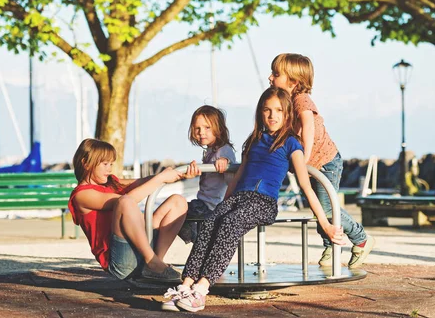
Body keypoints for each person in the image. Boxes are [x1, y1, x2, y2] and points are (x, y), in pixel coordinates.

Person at [161, 87, 345, 312]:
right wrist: (223, 204)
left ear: (288, 114)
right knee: (211, 223)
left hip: (263, 202)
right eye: (267, 110)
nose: (272, 115)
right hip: (238, 198)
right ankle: (186, 285)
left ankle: (201, 289)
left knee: (230, 224)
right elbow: (238, 177)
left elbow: (305, 186)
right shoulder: (255, 140)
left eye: (278, 110)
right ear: (260, 113)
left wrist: (325, 224)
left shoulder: (291, 144)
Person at [269, 53, 375, 267]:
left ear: (294, 81)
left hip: (326, 162)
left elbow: (307, 125)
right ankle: (331, 244)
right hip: (310, 166)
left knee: (327, 207)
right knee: (317, 206)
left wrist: (305, 157)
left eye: (276, 74)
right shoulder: (284, 103)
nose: (270, 78)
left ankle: (361, 239)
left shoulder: (301, 100)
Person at [68, 138, 198, 282]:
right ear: (86, 163)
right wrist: (161, 178)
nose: (109, 169)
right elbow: (127, 200)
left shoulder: (111, 183)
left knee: (177, 202)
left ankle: (155, 264)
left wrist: (177, 175)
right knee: (125, 202)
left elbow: (142, 182)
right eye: (105, 164)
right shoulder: (82, 195)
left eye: (111, 164)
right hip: (121, 262)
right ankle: (152, 262)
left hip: (139, 251)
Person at [178, 105, 237, 244]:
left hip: (210, 206)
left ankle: (198, 239)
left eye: (207, 128)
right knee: (175, 215)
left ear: (219, 129)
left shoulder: (224, 150)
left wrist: (225, 162)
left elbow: (230, 164)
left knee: (174, 214)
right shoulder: (210, 150)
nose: (201, 132)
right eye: (197, 128)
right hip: (203, 203)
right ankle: (199, 240)